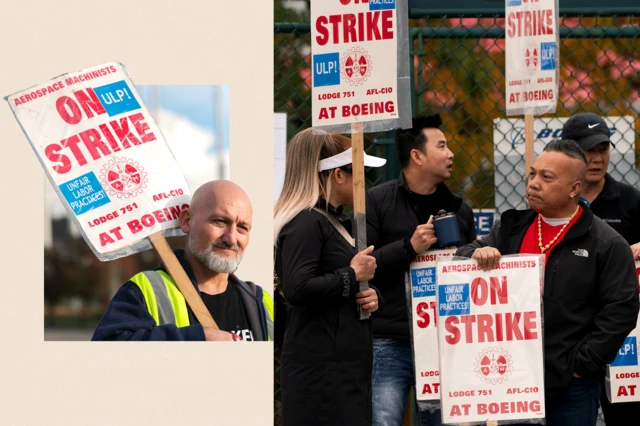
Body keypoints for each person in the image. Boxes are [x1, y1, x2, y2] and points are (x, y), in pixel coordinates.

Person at [456, 139, 639, 426]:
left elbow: (621, 310)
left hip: (572, 386)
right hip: (509, 379)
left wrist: (581, 365)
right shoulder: (511, 229)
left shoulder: (606, 243)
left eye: (546, 177)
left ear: (573, 189)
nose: (534, 183)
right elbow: (461, 260)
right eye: (532, 174)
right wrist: (477, 253)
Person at [366, 114, 476, 426]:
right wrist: (409, 246)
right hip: (390, 339)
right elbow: (362, 269)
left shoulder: (458, 208)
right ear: (417, 155)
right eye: (441, 145)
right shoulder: (377, 201)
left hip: (445, 340)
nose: (450, 153)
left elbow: (470, 274)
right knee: (383, 421)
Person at [274, 129, 386, 426]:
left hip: (342, 370)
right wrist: (351, 274)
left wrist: (369, 294)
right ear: (338, 175)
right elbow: (297, 288)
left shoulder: (333, 220)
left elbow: (336, 286)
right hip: (321, 375)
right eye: (360, 173)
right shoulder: (306, 222)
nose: (366, 183)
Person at [92, 180, 274, 341]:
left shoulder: (261, 301)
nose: (231, 238)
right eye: (219, 221)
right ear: (187, 221)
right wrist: (195, 338)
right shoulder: (145, 289)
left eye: (242, 228)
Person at [562, 112, 640, 424]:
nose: (597, 159)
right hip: (569, 332)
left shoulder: (629, 200)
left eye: (603, 149)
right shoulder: (556, 200)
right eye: (587, 151)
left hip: (623, 333)